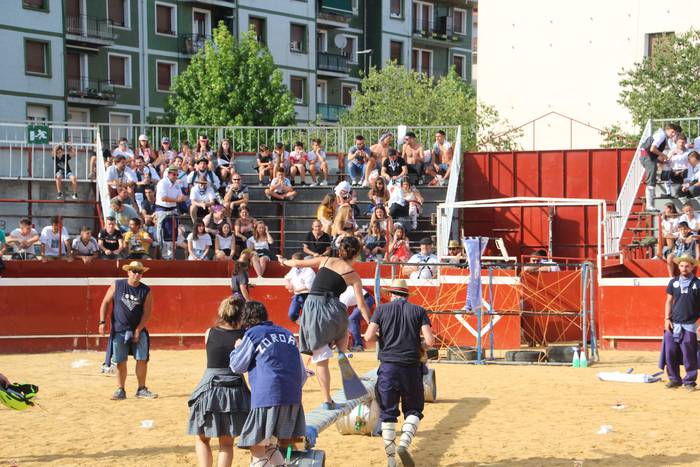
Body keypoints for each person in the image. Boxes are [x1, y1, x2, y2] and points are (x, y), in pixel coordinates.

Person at [278, 236, 371, 409]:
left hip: (313, 308)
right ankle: (342, 352)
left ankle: (327, 400)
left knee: (320, 359)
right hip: (335, 309)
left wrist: (283, 261)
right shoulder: (353, 276)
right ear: (356, 254)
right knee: (342, 330)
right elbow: (361, 305)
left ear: (340, 250)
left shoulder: (325, 259)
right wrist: (371, 323)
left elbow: (296, 263)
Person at [364, 278, 434, 467]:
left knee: (387, 413)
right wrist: (418, 345)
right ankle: (404, 444)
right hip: (411, 368)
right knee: (414, 410)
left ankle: (391, 460)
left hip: (388, 368)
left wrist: (382, 338)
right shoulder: (418, 310)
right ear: (406, 295)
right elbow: (430, 341)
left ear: (391, 294)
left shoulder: (381, 310)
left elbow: (368, 337)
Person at [229, 301, 307, 466]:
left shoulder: (253, 334)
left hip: (267, 396)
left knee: (257, 447)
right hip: (292, 398)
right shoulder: (287, 333)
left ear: (245, 319)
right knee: (270, 445)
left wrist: (237, 348)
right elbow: (302, 374)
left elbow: (237, 366)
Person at [187, 296, 251, 467]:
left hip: (210, 388)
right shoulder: (245, 336)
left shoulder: (209, 332)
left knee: (202, 439)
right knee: (227, 444)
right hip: (235, 389)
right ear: (242, 315)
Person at [98, 261, 157, 400]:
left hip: (138, 329)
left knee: (142, 359)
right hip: (119, 330)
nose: (137, 274)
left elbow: (147, 313)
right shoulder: (117, 285)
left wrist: (138, 329)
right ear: (128, 272)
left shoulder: (145, 291)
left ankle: (141, 389)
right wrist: (102, 322)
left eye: (139, 272)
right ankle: (120, 389)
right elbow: (105, 302)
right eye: (134, 271)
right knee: (120, 361)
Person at [661, 255, 700, 391]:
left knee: (689, 354)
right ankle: (674, 379)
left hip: (690, 324)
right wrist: (667, 319)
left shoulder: (698, 284)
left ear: (692, 267)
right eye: (682, 266)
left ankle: (689, 381)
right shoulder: (673, 282)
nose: (684, 268)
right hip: (673, 324)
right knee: (670, 352)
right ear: (678, 266)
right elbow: (668, 301)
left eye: (687, 266)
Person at [640, 123, 680, 211]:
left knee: (652, 181)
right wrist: (663, 155)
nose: (673, 134)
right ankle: (649, 206)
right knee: (651, 181)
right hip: (648, 157)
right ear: (667, 130)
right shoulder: (662, 135)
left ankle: (650, 205)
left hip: (648, 157)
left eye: (675, 133)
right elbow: (652, 149)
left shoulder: (661, 134)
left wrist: (661, 161)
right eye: (672, 132)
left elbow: (651, 151)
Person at [340, 285, 376, 352]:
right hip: (363, 300)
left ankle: (358, 345)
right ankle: (357, 345)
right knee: (353, 320)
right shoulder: (341, 294)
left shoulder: (342, 298)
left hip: (366, 300)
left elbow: (340, 317)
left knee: (351, 320)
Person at [284, 252, 316, 322]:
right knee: (292, 314)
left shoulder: (309, 271)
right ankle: (302, 324)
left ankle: (306, 325)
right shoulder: (294, 269)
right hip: (297, 295)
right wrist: (288, 285)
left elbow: (308, 287)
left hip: (307, 296)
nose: (292, 263)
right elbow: (287, 278)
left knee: (309, 316)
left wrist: (294, 289)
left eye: (294, 261)